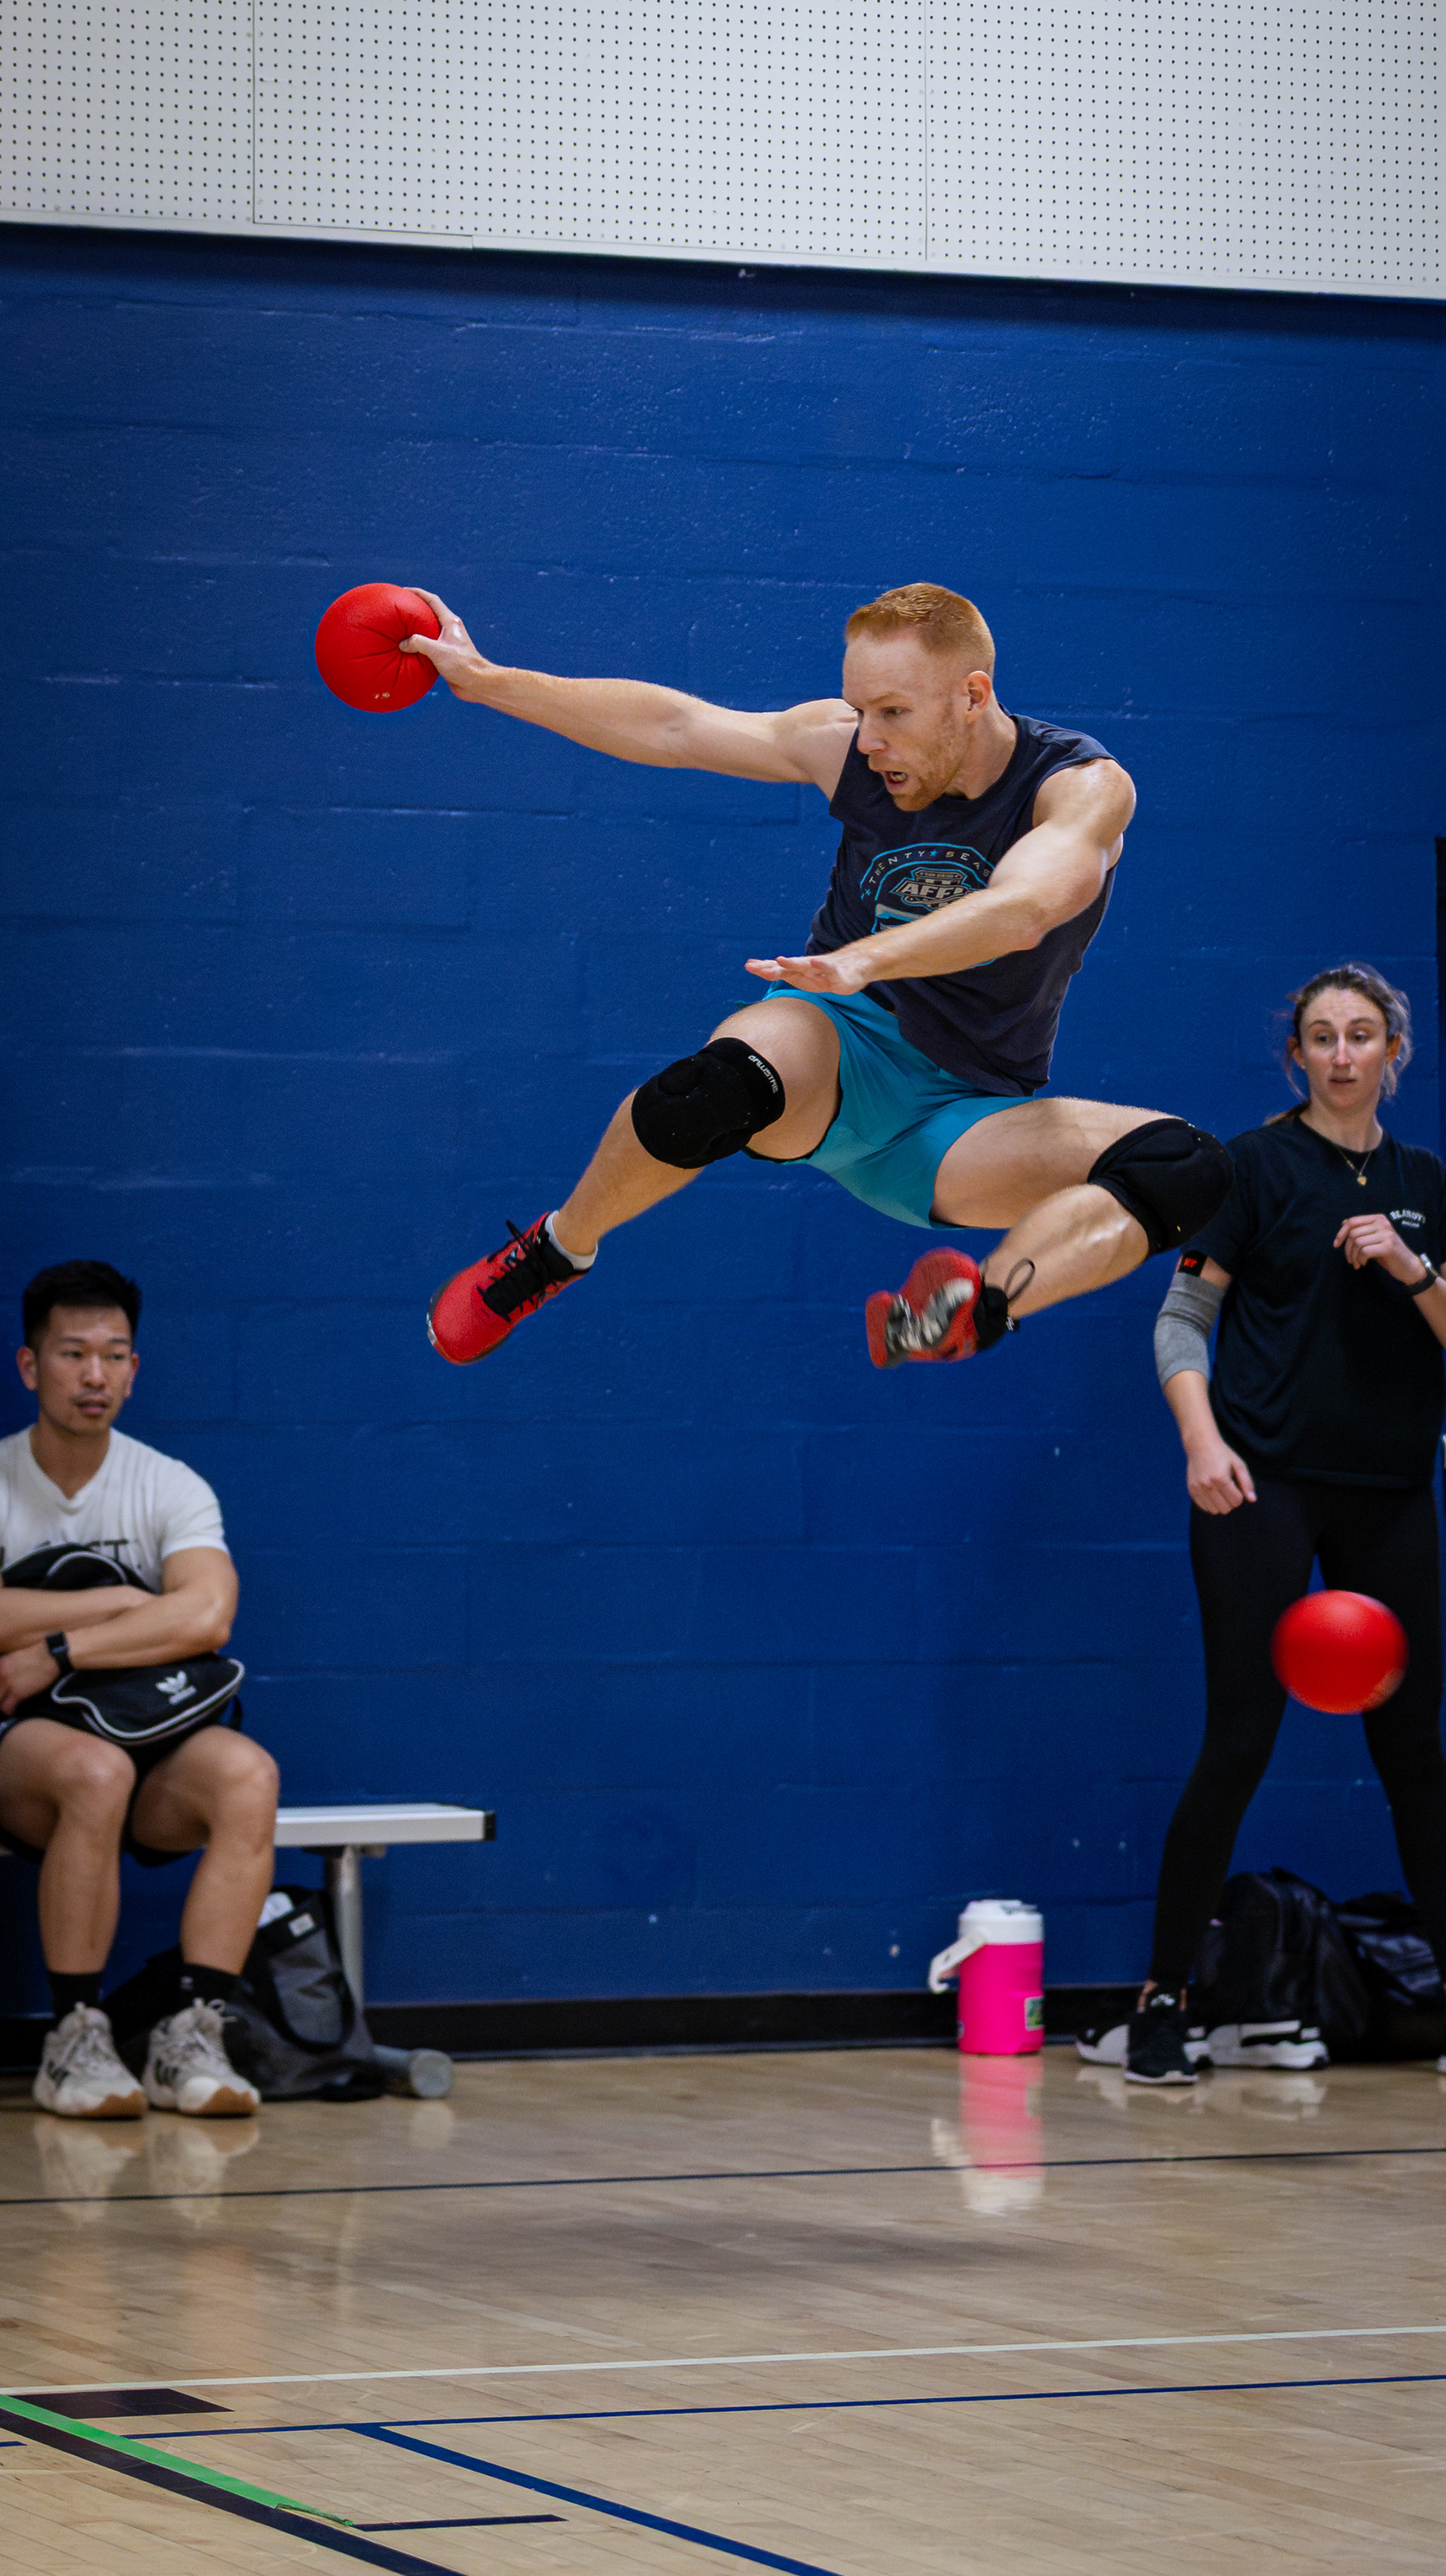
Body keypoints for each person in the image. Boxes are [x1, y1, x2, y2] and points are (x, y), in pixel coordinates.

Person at [401, 583, 1233, 1369]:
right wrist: (487, 681)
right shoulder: (851, 751)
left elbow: (1022, 909)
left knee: (1186, 1167)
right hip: (835, 1041)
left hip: (963, 1117)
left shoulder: (1079, 789)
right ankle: (555, 1251)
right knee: (707, 1094)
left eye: (894, 712)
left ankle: (967, 1314)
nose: (868, 739)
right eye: (861, 709)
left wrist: (863, 957)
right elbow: (677, 726)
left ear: (973, 696)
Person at [1120, 964, 1446, 2084]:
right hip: (1261, 1486)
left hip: (1392, 1492)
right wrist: (1202, 1444)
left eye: (1362, 1035)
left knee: (1416, 1755)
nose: (1343, 1054)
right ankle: (1162, 2002)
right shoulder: (1251, 1167)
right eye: (1322, 1036)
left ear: (1394, 1051)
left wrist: (1413, 1267)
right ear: (1296, 1054)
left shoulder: (1425, 1182)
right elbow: (1182, 1318)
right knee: (1239, 1742)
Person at [0, 1262, 277, 2119]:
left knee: (248, 1775)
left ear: (133, 1370)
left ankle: (190, 2035)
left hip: (144, 1744)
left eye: (114, 1356)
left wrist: (58, 1649)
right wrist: (122, 1601)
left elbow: (208, 1615)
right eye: (73, 1353)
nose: (95, 1375)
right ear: (29, 1366)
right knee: (94, 1771)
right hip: (23, 1757)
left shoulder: (168, 1484)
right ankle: (74, 2040)